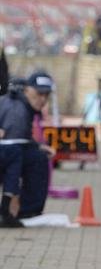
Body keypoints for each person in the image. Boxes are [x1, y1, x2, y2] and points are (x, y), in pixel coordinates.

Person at [0, 73, 56, 227]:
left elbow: (20, 137)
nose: (43, 99)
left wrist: (37, 146)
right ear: (26, 90)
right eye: (39, 94)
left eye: (46, 95)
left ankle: (24, 210)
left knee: (36, 156)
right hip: (7, 151)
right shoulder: (17, 110)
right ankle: (18, 211)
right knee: (31, 160)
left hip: (10, 148)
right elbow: (11, 142)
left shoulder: (20, 104)